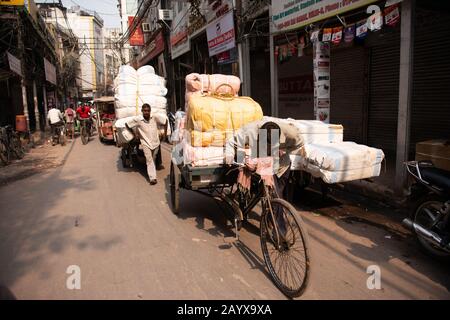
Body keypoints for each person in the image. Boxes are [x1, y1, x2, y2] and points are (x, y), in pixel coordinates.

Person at [126, 103, 160, 185]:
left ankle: (152, 172)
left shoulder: (154, 118)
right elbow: (127, 124)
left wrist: (165, 133)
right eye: (145, 111)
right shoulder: (138, 120)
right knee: (149, 160)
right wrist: (134, 134)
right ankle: (153, 178)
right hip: (145, 143)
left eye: (148, 111)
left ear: (150, 111)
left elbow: (165, 121)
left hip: (156, 143)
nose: (146, 112)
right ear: (142, 111)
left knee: (153, 158)